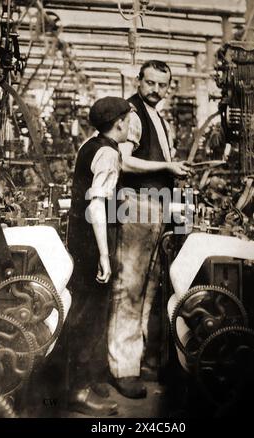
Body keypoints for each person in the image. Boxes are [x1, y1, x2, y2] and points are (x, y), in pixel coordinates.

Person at [108, 60, 192, 398]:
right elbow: (123, 160)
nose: (156, 89)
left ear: (168, 88)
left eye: (162, 84)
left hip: (156, 207)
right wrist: (168, 165)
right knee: (129, 288)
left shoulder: (158, 117)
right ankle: (122, 368)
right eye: (150, 82)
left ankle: (138, 359)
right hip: (136, 206)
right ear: (139, 81)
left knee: (149, 289)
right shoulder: (132, 113)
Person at [66, 96, 132, 415]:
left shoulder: (90, 144)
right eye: (128, 119)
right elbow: (96, 206)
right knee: (87, 316)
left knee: (89, 310)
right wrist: (104, 255)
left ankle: (88, 379)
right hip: (93, 240)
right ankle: (77, 391)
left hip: (81, 237)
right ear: (119, 122)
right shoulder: (107, 152)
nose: (131, 124)